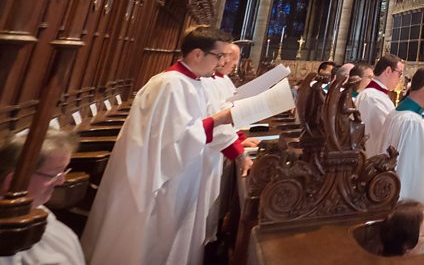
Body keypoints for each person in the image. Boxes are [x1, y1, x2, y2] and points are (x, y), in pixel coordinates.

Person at [84, 27, 249, 265]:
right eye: (219, 56)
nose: (222, 62)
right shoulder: (169, 84)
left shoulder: (195, 82)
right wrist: (220, 119)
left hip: (181, 176)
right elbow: (174, 141)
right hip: (159, 181)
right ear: (197, 54)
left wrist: (236, 147)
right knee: (151, 244)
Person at [378, 65, 424, 253]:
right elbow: (416, 165)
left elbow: (410, 151)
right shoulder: (411, 120)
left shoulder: (398, 113)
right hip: (407, 211)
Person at [0, 130, 84, 265]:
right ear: (12, 181)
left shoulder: (37, 210)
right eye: (55, 174)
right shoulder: (8, 238)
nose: (61, 181)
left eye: (63, 171)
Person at [359, 54, 404, 157]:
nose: (400, 79)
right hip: (372, 160)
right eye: (399, 74)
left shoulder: (373, 95)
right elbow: (389, 133)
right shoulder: (374, 98)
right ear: (388, 71)